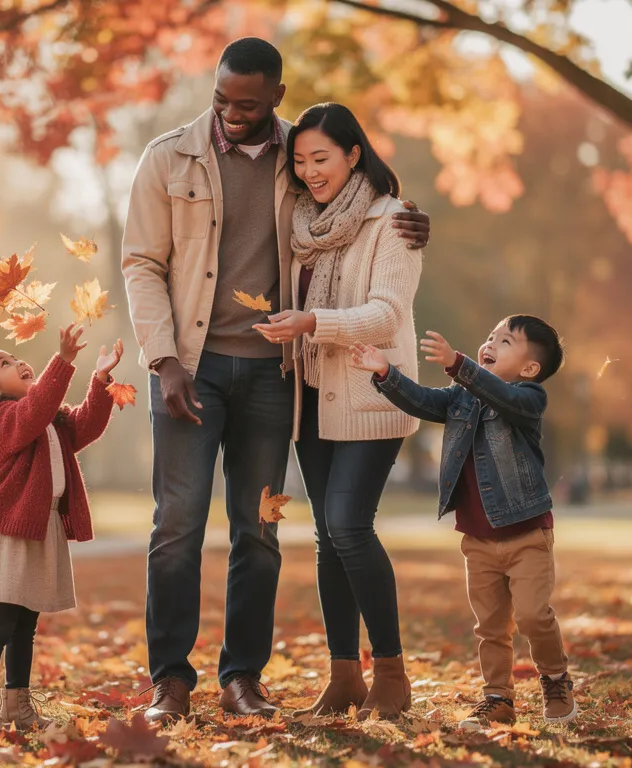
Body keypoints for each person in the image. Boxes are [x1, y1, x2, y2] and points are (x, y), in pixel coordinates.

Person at [120, 37, 430, 723]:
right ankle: (170, 682)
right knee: (175, 526)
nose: (232, 113)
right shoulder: (168, 156)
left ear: (276, 99)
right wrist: (163, 359)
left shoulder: (304, 155)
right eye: (222, 99)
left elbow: (363, 211)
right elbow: (141, 263)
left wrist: (413, 217)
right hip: (188, 371)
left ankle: (243, 679)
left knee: (257, 532)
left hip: (272, 377)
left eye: (248, 104)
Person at [252, 103, 421, 719]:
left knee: (350, 525)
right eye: (300, 161)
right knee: (329, 539)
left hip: (370, 393)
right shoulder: (300, 225)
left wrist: (313, 322)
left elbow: (384, 314)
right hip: (313, 397)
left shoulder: (394, 221)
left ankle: (393, 674)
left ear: (354, 155)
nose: (310, 171)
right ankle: (345, 676)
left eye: (321, 158)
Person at [349, 316, 578, 727]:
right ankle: (497, 698)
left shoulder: (529, 398)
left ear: (529, 369)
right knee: (489, 626)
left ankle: (555, 678)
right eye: (490, 335)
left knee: (531, 616)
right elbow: (422, 401)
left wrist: (458, 365)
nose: (490, 342)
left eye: (505, 341)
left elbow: (501, 396)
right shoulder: (461, 397)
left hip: (527, 533)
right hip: (477, 539)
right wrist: (385, 372)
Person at [0, 326, 123, 730]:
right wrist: (63, 362)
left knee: (25, 626)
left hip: (38, 528)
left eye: (15, 357)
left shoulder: (48, 420)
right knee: (0, 623)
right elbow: (33, 411)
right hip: (7, 530)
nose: (19, 362)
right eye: (4, 364)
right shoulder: (2, 420)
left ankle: (17, 707)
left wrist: (101, 380)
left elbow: (85, 425)